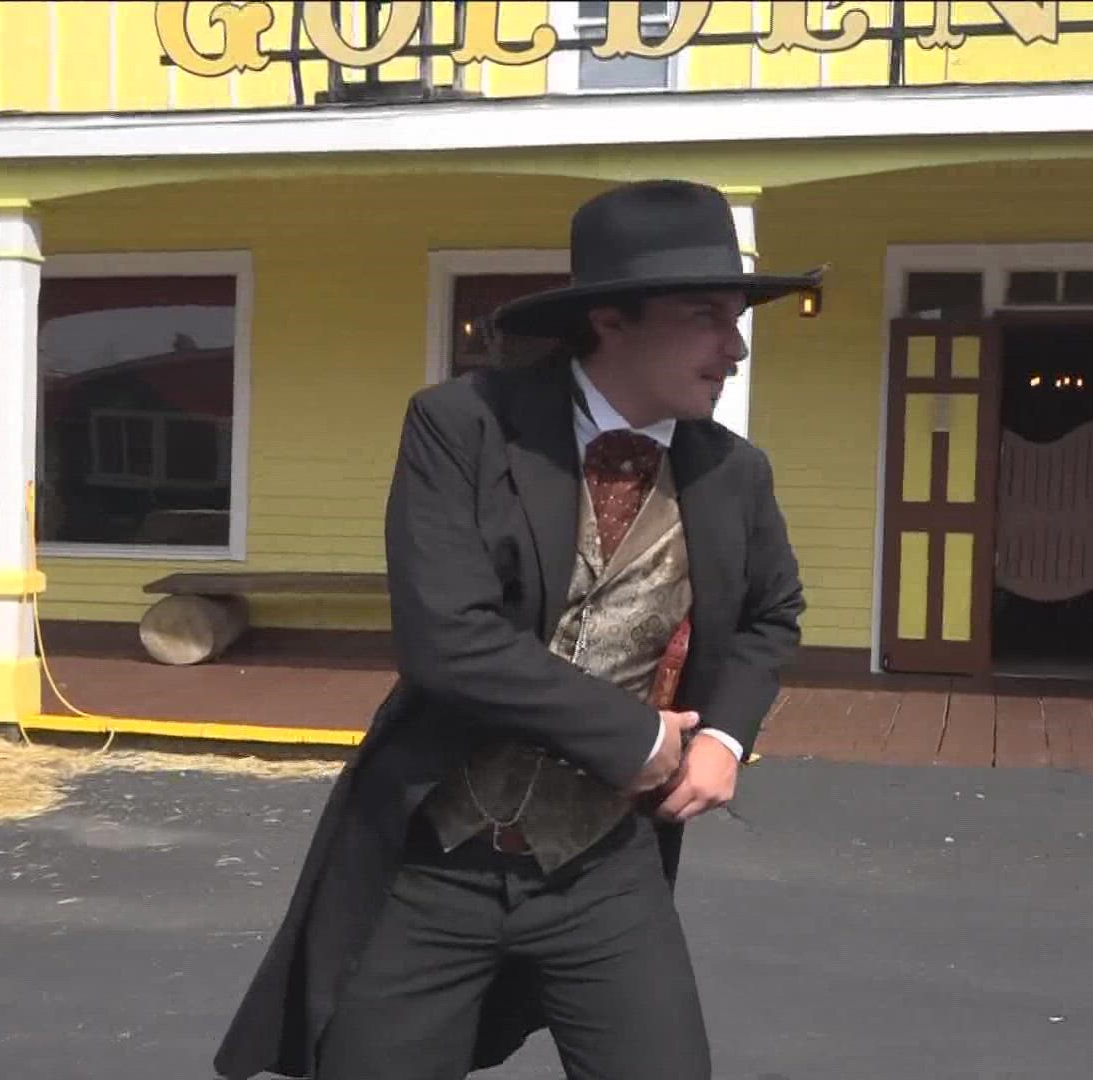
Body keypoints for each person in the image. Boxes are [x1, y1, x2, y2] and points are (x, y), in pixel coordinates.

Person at [212, 179, 818, 1080]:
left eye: (738, 320)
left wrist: (725, 736)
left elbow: (773, 613)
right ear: (611, 319)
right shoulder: (463, 426)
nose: (733, 348)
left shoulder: (733, 473)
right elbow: (448, 638)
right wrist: (637, 736)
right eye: (706, 317)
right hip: (434, 865)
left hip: (606, 867)